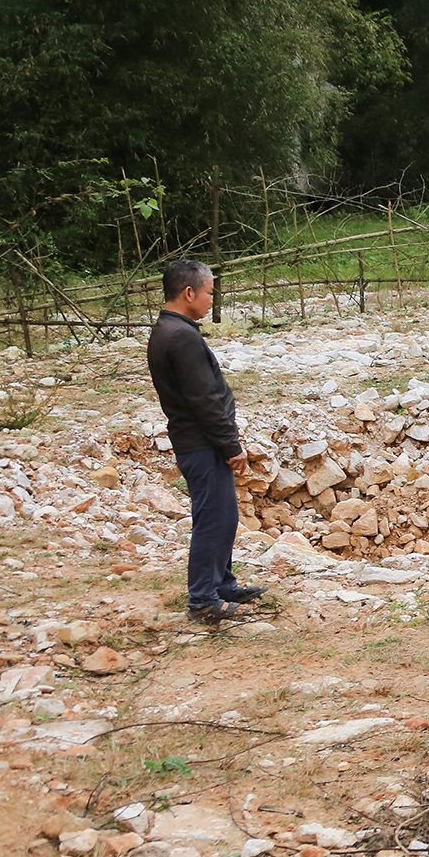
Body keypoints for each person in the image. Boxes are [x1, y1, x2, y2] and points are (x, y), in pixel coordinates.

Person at [146, 259, 265, 623]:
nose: (212, 299)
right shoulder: (181, 337)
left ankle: (222, 584)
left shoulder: (169, 330)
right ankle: (203, 598)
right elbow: (204, 400)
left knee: (224, 516)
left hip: (197, 441)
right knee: (212, 520)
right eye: (210, 292)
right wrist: (232, 447)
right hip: (201, 442)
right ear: (188, 293)